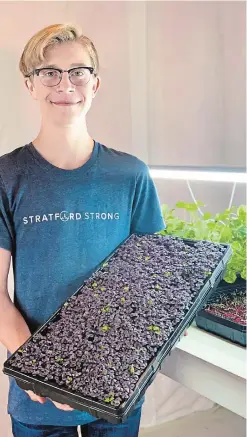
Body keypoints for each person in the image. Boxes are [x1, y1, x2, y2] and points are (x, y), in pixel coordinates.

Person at [0, 23, 166, 437]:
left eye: (78, 71)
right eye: (49, 72)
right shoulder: (7, 176)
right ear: (30, 85)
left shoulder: (130, 175)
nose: (65, 83)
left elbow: (150, 283)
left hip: (116, 384)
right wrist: (40, 370)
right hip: (38, 393)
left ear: (95, 84)